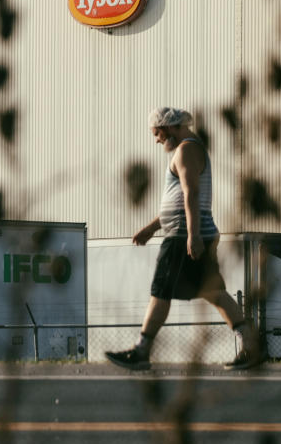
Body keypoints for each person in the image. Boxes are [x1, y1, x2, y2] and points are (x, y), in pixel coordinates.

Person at [105, 107, 264, 371]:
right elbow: (179, 200)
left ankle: (141, 351)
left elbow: (190, 194)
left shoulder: (186, 149)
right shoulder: (189, 149)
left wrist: (192, 235)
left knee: (161, 291)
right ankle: (251, 346)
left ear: (167, 128)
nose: (156, 140)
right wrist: (152, 227)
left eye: (156, 133)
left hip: (182, 236)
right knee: (213, 292)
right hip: (189, 232)